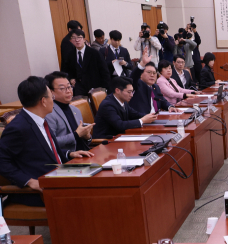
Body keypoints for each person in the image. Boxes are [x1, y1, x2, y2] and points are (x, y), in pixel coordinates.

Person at [0, 77, 94, 206]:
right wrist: (29, 181)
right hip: (42, 187)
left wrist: (69, 154)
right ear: (43, 101)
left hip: (60, 173)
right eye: (52, 97)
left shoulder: (40, 120)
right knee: (96, 193)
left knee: (100, 173)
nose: (53, 102)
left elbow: (44, 149)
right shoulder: (18, 127)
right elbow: (2, 160)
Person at [93, 77, 158, 139]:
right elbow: (120, 125)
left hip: (119, 136)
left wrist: (149, 116)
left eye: (132, 92)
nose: (132, 95)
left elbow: (134, 114)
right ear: (117, 90)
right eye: (129, 92)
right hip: (105, 141)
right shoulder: (107, 105)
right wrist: (142, 120)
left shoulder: (123, 101)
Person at [44, 71, 93, 152]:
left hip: (85, 153)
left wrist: (87, 137)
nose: (68, 91)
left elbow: (85, 142)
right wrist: (76, 135)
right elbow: (50, 142)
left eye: (69, 87)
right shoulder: (49, 113)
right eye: (62, 88)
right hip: (68, 158)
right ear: (51, 92)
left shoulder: (75, 109)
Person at [62, 29, 110, 96]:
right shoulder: (70, 55)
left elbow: (104, 71)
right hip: (79, 87)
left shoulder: (94, 53)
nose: (77, 40)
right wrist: (70, 79)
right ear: (71, 41)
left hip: (95, 86)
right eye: (74, 38)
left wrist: (105, 88)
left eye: (79, 37)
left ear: (84, 39)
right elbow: (66, 70)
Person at [129, 48, 173, 115]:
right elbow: (133, 78)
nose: (152, 75)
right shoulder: (137, 84)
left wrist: (170, 107)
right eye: (149, 72)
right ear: (141, 74)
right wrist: (142, 64)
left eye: (154, 73)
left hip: (157, 119)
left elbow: (162, 101)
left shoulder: (155, 87)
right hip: (143, 120)